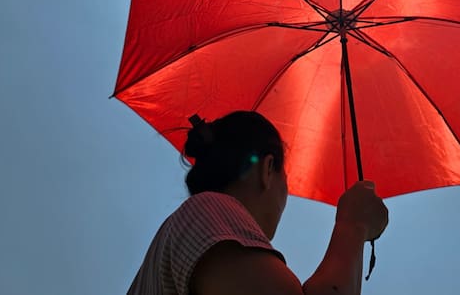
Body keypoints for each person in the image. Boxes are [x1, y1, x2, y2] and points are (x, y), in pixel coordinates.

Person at [127, 110, 389, 295]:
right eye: (285, 179)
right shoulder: (209, 210)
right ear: (268, 169)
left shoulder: (185, 229)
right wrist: (352, 225)